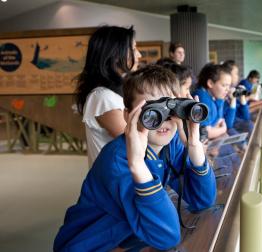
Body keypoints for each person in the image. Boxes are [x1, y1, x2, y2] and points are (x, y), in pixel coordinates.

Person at [54, 65, 216, 251]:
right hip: (92, 244)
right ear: (128, 115)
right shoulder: (118, 160)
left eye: (170, 109)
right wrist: (138, 166)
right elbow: (167, 237)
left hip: (128, 237)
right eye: (152, 112)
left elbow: (203, 200)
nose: (163, 121)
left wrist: (194, 147)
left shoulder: (170, 145)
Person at [75, 25, 142, 167]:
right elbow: (134, 143)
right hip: (114, 182)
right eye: (134, 48)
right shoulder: (103, 98)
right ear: (116, 54)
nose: (139, 54)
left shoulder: (115, 92)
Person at [192, 63, 231, 140]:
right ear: (210, 83)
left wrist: (221, 100)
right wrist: (223, 129)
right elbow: (207, 133)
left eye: (229, 86)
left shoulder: (211, 96)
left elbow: (219, 120)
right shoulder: (202, 98)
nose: (228, 90)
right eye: (224, 85)